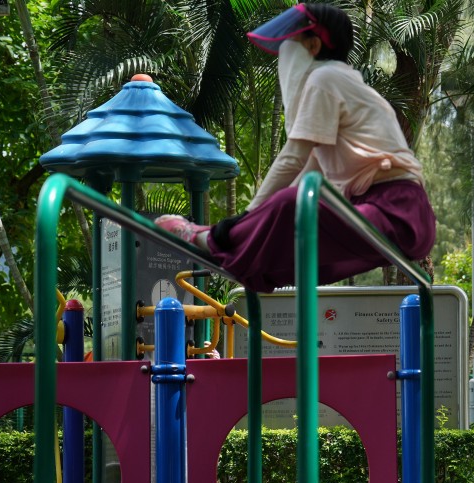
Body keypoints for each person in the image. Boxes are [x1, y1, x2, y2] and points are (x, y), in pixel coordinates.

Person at [155, 3, 436, 293]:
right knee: (295, 234)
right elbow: (307, 167)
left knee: (291, 204)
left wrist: (246, 215)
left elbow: (293, 158)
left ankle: (208, 239)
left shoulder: (326, 78)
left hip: (397, 212)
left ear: (313, 45)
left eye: (291, 45)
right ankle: (229, 250)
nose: (284, 56)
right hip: (397, 217)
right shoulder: (347, 85)